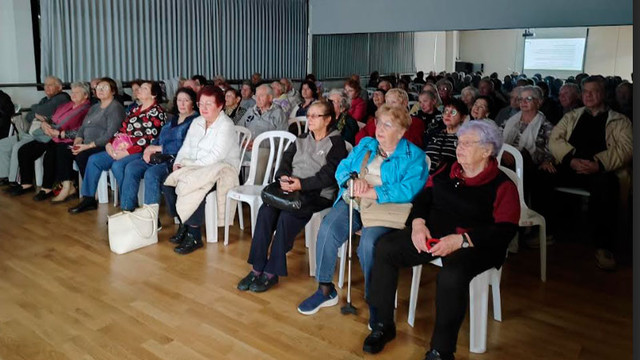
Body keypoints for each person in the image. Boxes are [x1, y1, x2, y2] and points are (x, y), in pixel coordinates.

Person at [362, 120, 520, 359]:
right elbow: (425, 197)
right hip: (432, 234)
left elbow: (505, 229)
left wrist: (462, 240)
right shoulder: (447, 168)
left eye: (468, 143)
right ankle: (383, 325)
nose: (460, 147)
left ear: (487, 150)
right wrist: (417, 224)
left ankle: (441, 350)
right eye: (459, 142)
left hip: (475, 244)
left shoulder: (502, 185)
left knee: (451, 275)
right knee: (385, 248)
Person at [297, 104, 428, 318]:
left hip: (384, 209)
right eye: (379, 122)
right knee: (328, 228)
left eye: (388, 124)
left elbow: (409, 190)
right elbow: (343, 168)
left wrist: (374, 192)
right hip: (355, 202)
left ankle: (376, 299)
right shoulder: (367, 144)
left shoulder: (414, 156)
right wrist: (352, 180)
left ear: (402, 131)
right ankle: (324, 289)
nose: (380, 128)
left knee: (369, 243)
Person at [237, 101, 348, 292]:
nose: (310, 119)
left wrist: (301, 184)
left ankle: (272, 272)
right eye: (309, 115)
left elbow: (329, 175)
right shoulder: (301, 138)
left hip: (317, 194)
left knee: (288, 217)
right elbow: (285, 161)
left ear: (328, 119)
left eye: (315, 116)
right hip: (291, 188)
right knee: (266, 211)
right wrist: (283, 178)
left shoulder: (336, 143)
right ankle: (257, 268)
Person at [549, 75, 632, 270]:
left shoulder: (620, 121)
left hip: (601, 170)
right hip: (572, 165)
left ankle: (604, 246)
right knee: (543, 175)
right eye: (585, 91)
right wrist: (570, 159)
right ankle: (547, 231)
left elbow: (626, 149)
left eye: (593, 91)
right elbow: (555, 139)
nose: (588, 95)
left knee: (607, 186)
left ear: (604, 94)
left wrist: (599, 164)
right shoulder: (572, 116)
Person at [69, 80, 166, 214]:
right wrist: (110, 143)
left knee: (118, 165)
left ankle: (128, 204)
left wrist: (126, 152)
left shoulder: (157, 112)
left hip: (139, 151)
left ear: (153, 94)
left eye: (144, 89)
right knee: (94, 160)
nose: (139, 90)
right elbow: (121, 129)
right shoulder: (135, 109)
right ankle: (89, 198)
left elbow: (148, 139)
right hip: (120, 148)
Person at [164, 86, 241, 254]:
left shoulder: (225, 125)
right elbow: (185, 148)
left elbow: (216, 156)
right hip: (196, 166)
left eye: (209, 104)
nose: (203, 108)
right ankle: (184, 222)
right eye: (201, 103)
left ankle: (194, 235)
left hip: (222, 169)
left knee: (193, 185)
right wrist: (178, 163)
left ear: (220, 106)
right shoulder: (197, 122)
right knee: (168, 182)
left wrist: (189, 166)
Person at [119, 87, 199, 214]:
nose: (182, 104)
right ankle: (127, 210)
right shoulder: (174, 118)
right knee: (132, 167)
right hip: (158, 156)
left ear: (193, 103)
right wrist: (148, 150)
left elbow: (185, 146)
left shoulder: (195, 121)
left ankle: (151, 217)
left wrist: (158, 148)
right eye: (179, 100)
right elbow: (160, 137)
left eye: (186, 100)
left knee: (152, 173)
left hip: (176, 160)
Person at [9, 82, 91, 200]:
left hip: (66, 140)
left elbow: (82, 130)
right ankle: (26, 183)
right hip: (50, 136)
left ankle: (47, 188)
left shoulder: (87, 110)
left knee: (50, 155)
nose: (73, 94)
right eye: (72, 92)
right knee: (24, 150)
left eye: (77, 92)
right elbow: (53, 119)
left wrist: (60, 134)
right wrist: (45, 125)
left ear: (85, 95)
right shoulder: (67, 105)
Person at [0, 76, 70, 188]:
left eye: (50, 85)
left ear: (59, 87)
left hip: (42, 135)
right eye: (45, 85)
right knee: (2, 145)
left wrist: (35, 111)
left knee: (19, 147)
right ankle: (4, 176)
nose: (46, 88)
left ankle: (16, 181)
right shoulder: (45, 100)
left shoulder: (62, 98)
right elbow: (29, 116)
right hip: (30, 133)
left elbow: (40, 110)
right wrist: (36, 113)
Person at [356, 89, 425, 148]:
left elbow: (414, 144)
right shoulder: (380, 120)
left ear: (405, 103)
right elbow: (360, 137)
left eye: (393, 102)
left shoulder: (415, 122)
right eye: (387, 102)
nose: (389, 106)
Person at [425, 98, 467, 174]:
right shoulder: (433, 134)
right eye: (446, 111)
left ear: (463, 118)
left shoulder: (464, 139)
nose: (448, 115)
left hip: (446, 180)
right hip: (423, 177)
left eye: (453, 112)